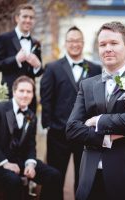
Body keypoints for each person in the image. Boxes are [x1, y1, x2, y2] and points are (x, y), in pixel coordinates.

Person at [66, 21, 125, 200]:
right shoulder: (87, 85)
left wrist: (97, 121)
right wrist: (106, 139)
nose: (107, 48)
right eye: (102, 44)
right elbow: (71, 129)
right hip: (90, 178)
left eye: (113, 43)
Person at [0, 76, 63, 200]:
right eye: (21, 91)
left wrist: (30, 164)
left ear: (33, 95)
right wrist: (5, 163)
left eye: (29, 92)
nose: (25, 95)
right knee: (14, 180)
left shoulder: (31, 116)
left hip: (20, 162)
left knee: (54, 175)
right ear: (14, 92)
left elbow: (30, 145)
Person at [40, 26, 101, 196]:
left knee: (84, 179)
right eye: (71, 40)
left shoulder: (95, 69)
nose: (75, 44)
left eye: (78, 41)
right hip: (59, 133)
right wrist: (49, 125)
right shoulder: (52, 68)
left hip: (85, 133)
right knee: (54, 177)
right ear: (65, 43)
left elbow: (98, 100)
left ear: (83, 43)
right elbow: (46, 98)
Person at [0, 3, 43, 113]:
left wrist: (38, 66)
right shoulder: (3, 39)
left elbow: (37, 73)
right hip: (9, 97)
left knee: (28, 130)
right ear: (17, 18)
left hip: (29, 101)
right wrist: (15, 59)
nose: (28, 20)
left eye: (31, 17)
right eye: (25, 16)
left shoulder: (36, 43)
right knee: (8, 129)